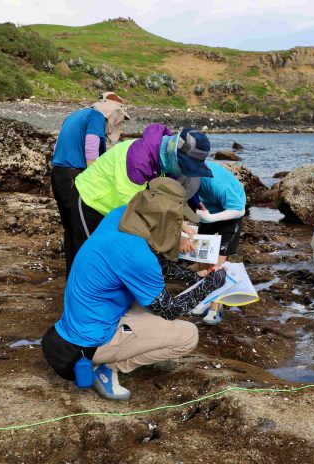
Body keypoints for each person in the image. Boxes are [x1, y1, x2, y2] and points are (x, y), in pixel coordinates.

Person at [41, 177, 228, 401]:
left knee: (148, 297)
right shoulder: (136, 255)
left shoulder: (119, 215)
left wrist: (193, 277)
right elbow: (170, 309)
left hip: (72, 327)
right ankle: (109, 367)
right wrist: (210, 285)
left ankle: (111, 353)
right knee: (188, 335)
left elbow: (153, 261)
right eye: (177, 219)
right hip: (83, 348)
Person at [63, 125, 212, 272]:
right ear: (175, 154)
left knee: (107, 257)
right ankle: (78, 292)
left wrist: (180, 225)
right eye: (185, 167)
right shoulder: (138, 160)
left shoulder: (164, 158)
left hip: (113, 209)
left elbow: (162, 202)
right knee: (88, 254)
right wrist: (175, 238)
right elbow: (138, 210)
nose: (184, 172)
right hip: (90, 199)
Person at [51, 92, 129, 275]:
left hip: (59, 175)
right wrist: (94, 177)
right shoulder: (95, 117)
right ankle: (86, 276)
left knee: (70, 229)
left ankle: (72, 275)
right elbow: (91, 146)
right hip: (74, 176)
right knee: (81, 229)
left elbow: (58, 147)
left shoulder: (75, 115)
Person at [191, 160, 247, 325]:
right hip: (206, 212)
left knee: (218, 264)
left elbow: (239, 209)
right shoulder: (182, 177)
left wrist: (211, 217)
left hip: (230, 213)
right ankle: (204, 299)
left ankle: (216, 307)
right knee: (202, 258)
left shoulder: (216, 183)